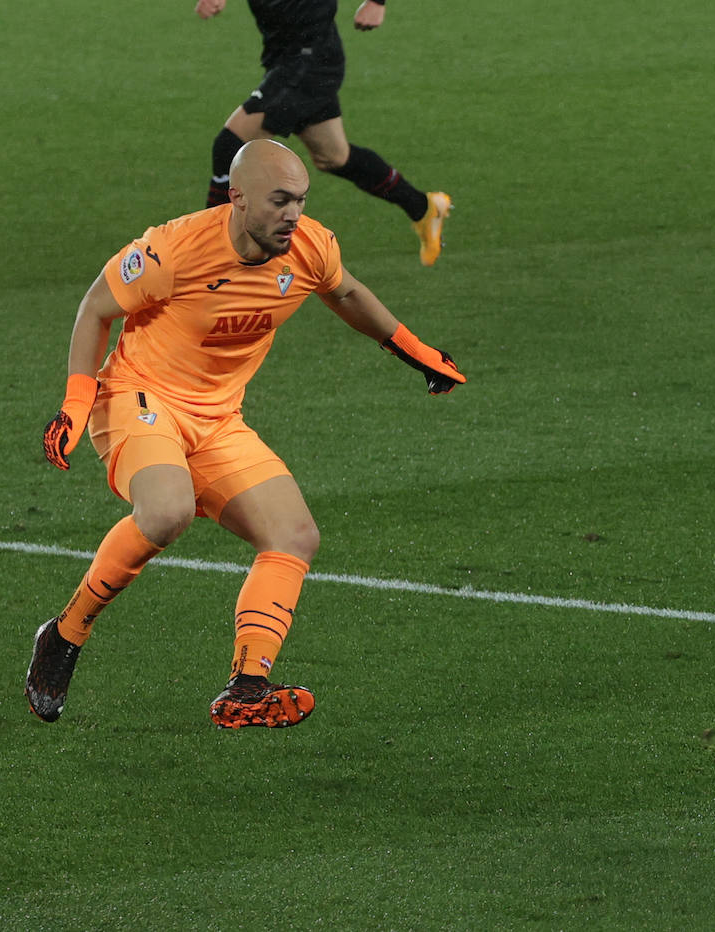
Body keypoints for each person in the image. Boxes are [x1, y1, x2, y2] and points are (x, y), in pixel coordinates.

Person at [29, 139, 465, 729]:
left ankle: (248, 685)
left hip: (217, 418)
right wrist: (75, 405)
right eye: (281, 200)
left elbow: (348, 293)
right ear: (237, 198)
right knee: (165, 511)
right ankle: (66, 633)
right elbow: (95, 308)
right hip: (138, 399)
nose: (294, 215)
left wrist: (415, 352)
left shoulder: (309, 248)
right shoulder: (174, 249)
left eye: (301, 201)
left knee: (294, 535)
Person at [196, 0, 452, 266]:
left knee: (228, 145)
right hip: (287, 57)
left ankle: (210, 253)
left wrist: (376, 3)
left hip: (310, 60)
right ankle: (423, 207)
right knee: (333, 156)